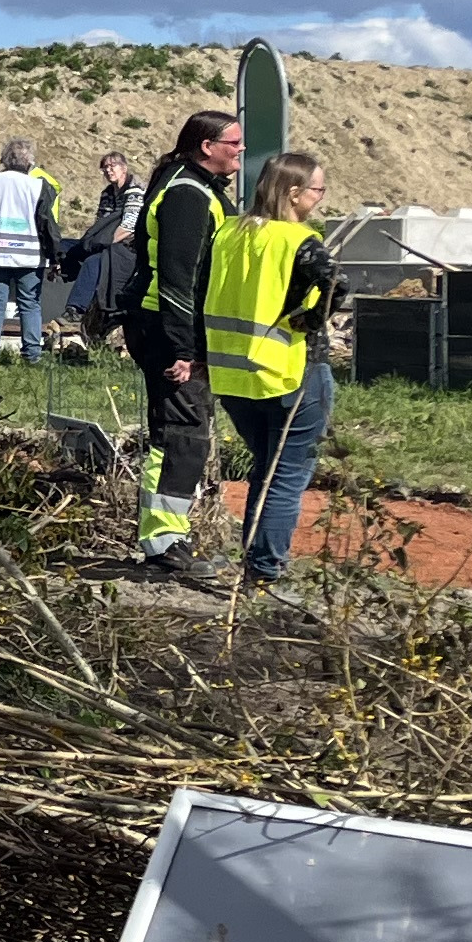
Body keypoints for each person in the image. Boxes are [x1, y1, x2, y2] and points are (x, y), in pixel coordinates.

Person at [208, 149, 340, 589]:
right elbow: (337, 283)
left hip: (233, 374)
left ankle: (254, 563)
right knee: (284, 476)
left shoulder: (228, 232)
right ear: (295, 192)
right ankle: (265, 572)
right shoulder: (297, 241)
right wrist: (310, 319)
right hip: (291, 371)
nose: (321, 198)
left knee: (265, 469)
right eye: (318, 190)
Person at [125, 109, 244, 578]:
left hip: (168, 326)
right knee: (180, 435)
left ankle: (168, 537)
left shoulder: (195, 187)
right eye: (232, 143)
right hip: (165, 327)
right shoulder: (186, 194)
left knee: (179, 433)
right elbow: (178, 277)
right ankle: (164, 543)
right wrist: (183, 349)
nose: (240, 150)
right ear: (206, 147)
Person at [0, 136, 66, 368]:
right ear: (30, 162)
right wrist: (55, 256)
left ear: (5, 159)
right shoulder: (38, 185)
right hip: (29, 257)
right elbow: (47, 224)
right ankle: (32, 355)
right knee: (30, 304)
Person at [65, 151, 142, 342]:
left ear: (123, 167)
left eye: (112, 166)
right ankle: (62, 272)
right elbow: (100, 222)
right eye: (105, 167)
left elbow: (129, 226)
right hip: (105, 242)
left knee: (93, 262)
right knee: (65, 247)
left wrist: (104, 243)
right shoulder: (107, 194)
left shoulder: (135, 192)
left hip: (126, 247)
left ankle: (76, 308)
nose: (109, 170)